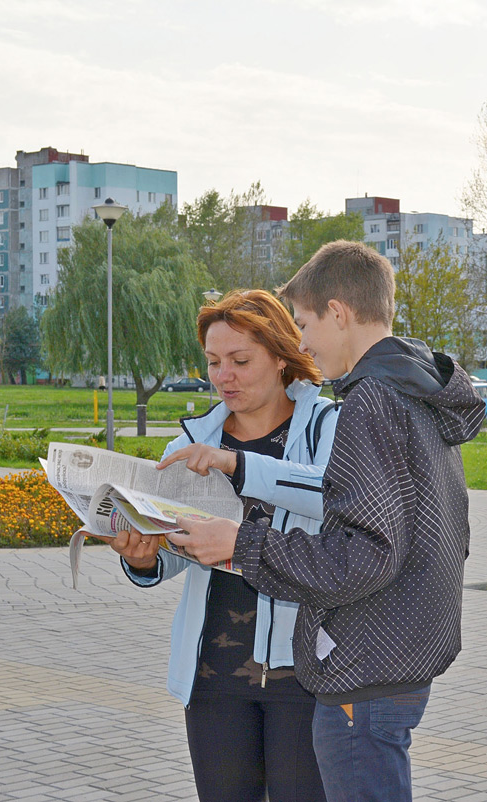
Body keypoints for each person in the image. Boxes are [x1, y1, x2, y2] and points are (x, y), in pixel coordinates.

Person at [168, 241, 486, 802]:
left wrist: (242, 546)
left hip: (364, 667)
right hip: (400, 658)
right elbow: (431, 533)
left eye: (307, 323)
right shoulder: (413, 392)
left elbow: (365, 552)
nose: (305, 341)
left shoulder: (369, 402)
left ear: (338, 312)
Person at [111, 289, 337, 802]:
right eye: (213, 362)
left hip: (304, 675)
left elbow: (339, 502)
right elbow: (173, 553)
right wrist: (144, 559)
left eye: (240, 360)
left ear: (282, 358)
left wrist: (240, 466)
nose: (223, 376)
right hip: (214, 676)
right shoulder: (189, 445)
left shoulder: (327, 426)